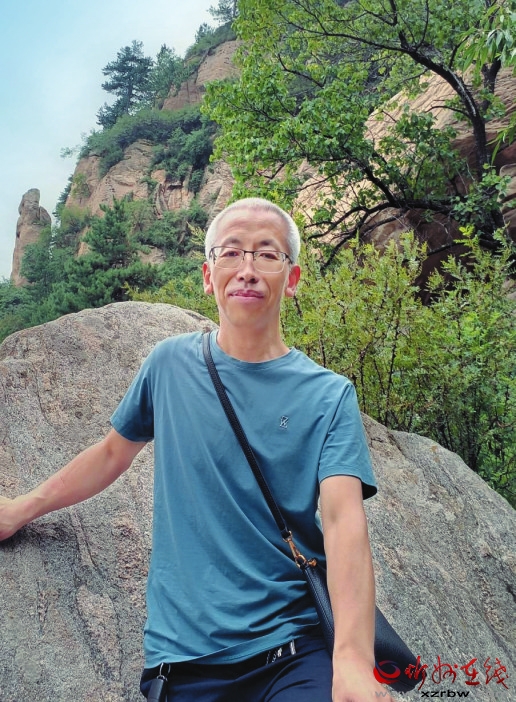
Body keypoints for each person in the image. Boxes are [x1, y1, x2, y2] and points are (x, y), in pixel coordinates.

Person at [0, 197, 393, 702]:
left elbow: (343, 522)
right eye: (231, 253)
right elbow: (112, 454)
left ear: (292, 278)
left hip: (294, 649)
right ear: (209, 276)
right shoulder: (169, 365)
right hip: (184, 659)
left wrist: (353, 660)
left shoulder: (329, 395)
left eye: (266, 254)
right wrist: (21, 508)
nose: (247, 269)